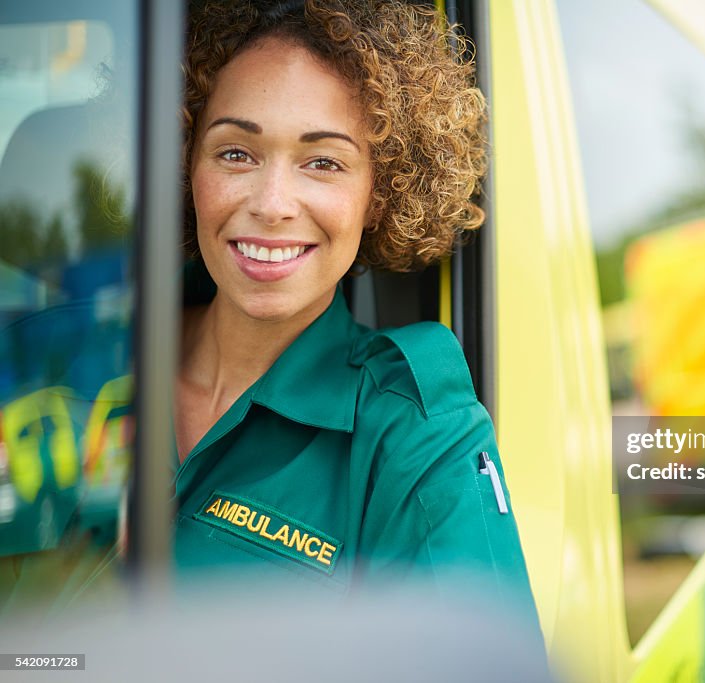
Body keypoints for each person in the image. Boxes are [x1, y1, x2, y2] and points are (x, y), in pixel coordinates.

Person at [174, 0, 541, 637]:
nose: (272, 204)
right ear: (185, 165)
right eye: (236, 153)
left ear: (381, 193)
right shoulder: (81, 357)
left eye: (324, 162)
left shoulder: (419, 434)